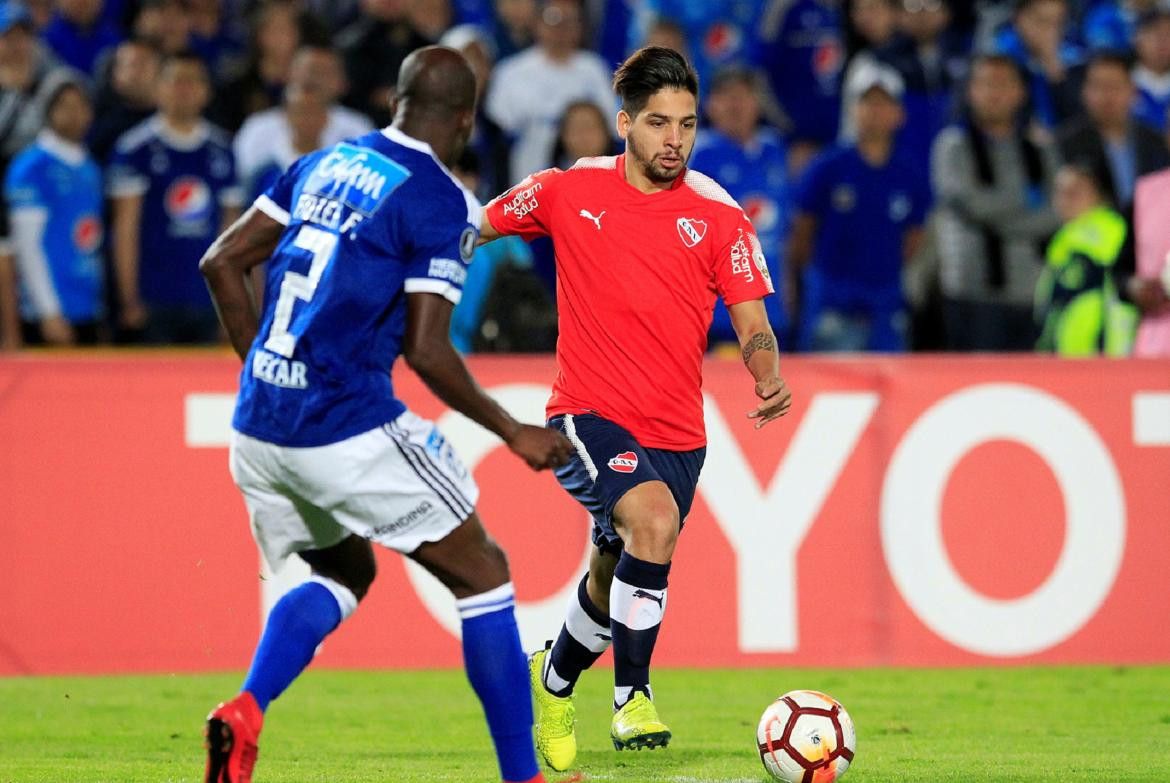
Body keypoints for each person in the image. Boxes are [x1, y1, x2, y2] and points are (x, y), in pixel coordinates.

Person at [198, 45, 572, 783]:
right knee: (484, 571)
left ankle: (246, 707)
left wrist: (267, 374)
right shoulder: (441, 200)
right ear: (465, 119)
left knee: (344, 567)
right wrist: (513, 429)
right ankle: (524, 776)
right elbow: (429, 350)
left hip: (258, 424)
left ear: (397, 101)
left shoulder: (326, 161)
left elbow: (220, 260)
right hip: (344, 422)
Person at [479, 46, 792, 770]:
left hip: (679, 434)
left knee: (610, 571)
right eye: (657, 123)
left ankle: (552, 682)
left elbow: (754, 325)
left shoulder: (717, 214)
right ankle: (632, 697)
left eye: (685, 124)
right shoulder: (566, 189)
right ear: (624, 124)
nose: (673, 140)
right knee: (652, 521)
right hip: (586, 414)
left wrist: (765, 371)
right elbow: (477, 227)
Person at [788, 60, 928, 351]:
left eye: (884, 103)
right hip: (834, 305)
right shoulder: (828, 166)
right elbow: (802, 231)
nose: (875, 111)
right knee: (828, 388)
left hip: (886, 307)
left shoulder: (909, 173)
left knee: (895, 391)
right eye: (867, 102)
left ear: (899, 114)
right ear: (853, 110)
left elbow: (914, 238)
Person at [108, 52, 242, 343]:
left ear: (206, 91)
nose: (185, 89)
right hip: (154, 296)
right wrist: (129, 298)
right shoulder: (135, 148)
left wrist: (231, 305)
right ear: (159, 87)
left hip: (206, 298)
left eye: (194, 81)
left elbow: (231, 232)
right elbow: (125, 227)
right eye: (176, 81)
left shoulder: (222, 149)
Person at [932, 53, 1061, 351]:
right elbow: (973, 206)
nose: (994, 93)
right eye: (986, 84)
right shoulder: (953, 145)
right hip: (973, 295)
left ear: (1020, 92)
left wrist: (1002, 213)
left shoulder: (1040, 149)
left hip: (1032, 293)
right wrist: (1029, 201)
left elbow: (1056, 213)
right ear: (970, 91)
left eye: (1003, 84)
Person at [690, 66, 790, 348]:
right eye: (727, 96)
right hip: (722, 310)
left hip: (772, 304)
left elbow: (788, 227)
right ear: (710, 105)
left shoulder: (774, 149)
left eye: (744, 96)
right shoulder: (700, 155)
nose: (736, 104)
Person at [4, 80, 103, 346]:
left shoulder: (88, 165)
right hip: (50, 310)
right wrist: (49, 311)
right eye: (64, 106)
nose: (74, 114)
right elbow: (27, 245)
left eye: (81, 106)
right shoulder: (32, 167)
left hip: (87, 303)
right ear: (47, 111)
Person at [484, 0, 614, 182]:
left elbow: (610, 126)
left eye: (570, 20)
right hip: (527, 183)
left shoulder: (595, 69)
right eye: (553, 19)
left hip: (587, 182)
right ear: (536, 23)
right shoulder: (510, 72)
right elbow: (497, 135)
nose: (561, 28)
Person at [1035, 162, 1137, 355]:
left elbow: (1117, 291)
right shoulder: (1064, 237)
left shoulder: (1109, 231)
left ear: (1100, 196)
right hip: (1070, 350)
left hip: (1098, 351)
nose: (1065, 200)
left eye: (1075, 192)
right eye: (1059, 192)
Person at [1057, 51, 1170, 214]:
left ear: (1133, 91)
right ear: (1084, 92)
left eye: (1114, 86)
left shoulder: (1155, 140)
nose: (1106, 96)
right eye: (1098, 86)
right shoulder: (1066, 142)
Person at [89, 38, 161, 163]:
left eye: (143, 63)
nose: (137, 72)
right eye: (130, 65)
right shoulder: (97, 123)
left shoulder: (174, 119)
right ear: (115, 76)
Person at [1133, 8, 1170, 134]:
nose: (1163, 42)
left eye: (1168, 34)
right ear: (1137, 37)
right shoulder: (1123, 82)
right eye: (1156, 33)